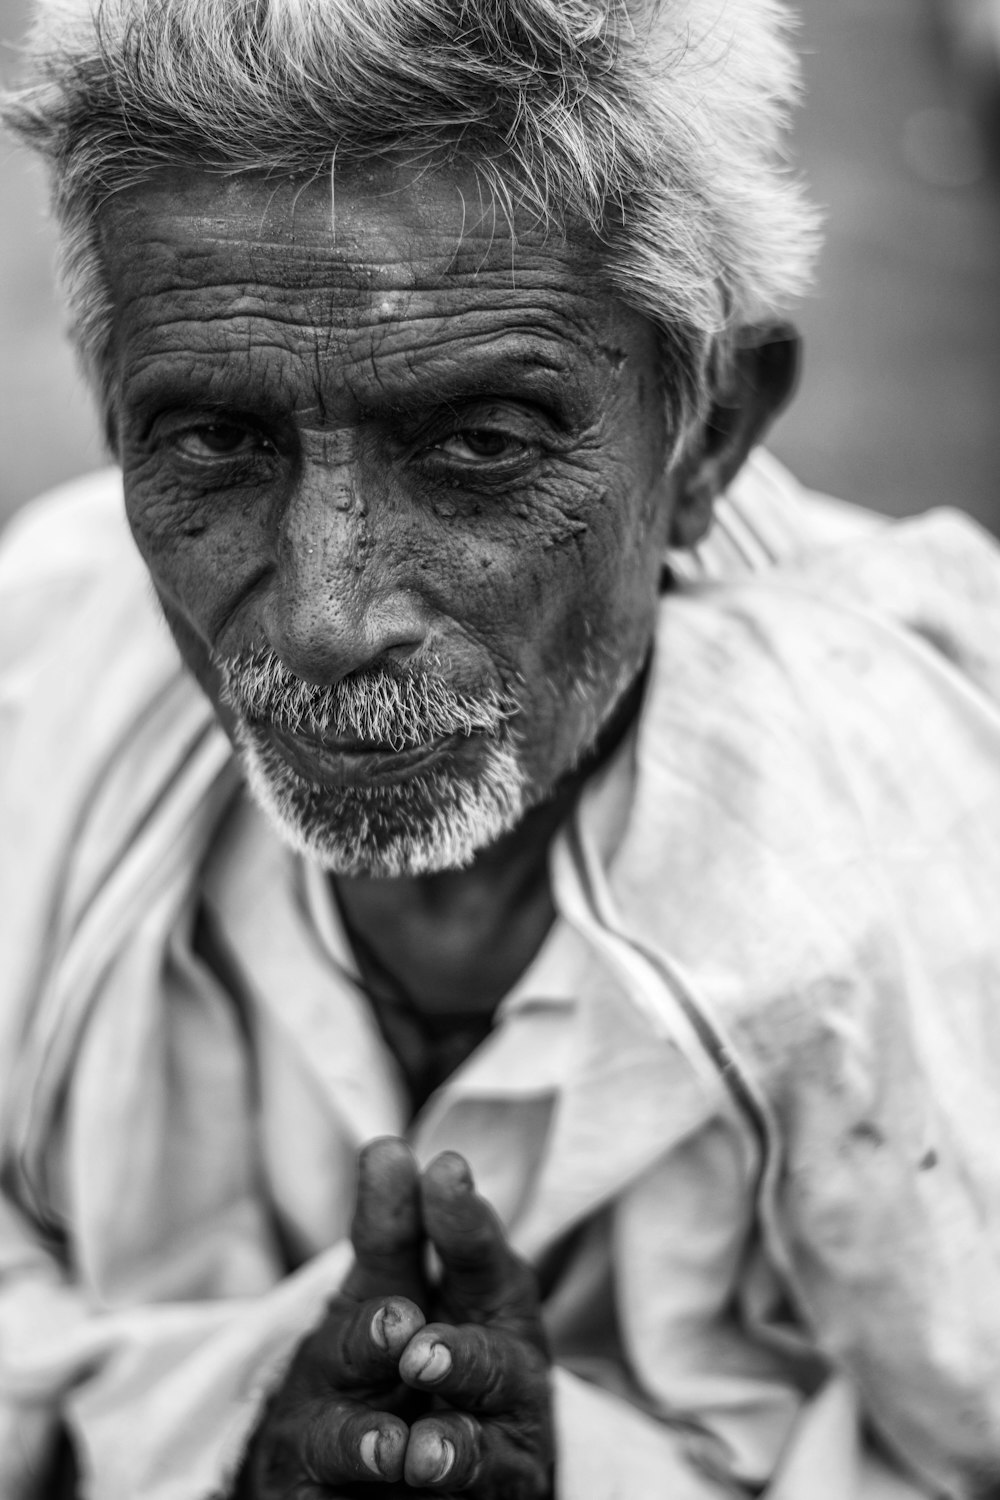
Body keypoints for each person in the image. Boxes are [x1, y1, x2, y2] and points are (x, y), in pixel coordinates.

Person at [3, 0, 1000, 1496]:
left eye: (478, 443)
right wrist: (230, 1443)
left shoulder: (923, 830)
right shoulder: (40, 669)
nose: (331, 614)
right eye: (214, 439)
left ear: (709, 432)